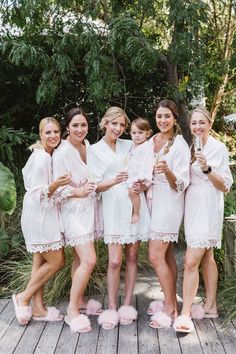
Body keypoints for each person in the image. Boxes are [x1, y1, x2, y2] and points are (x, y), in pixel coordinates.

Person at [87, 107, 150, 330]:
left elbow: (145, 167)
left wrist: (143, 183)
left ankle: (127, 304)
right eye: (114, 124)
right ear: (105, 123)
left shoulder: (131, 144)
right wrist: (114, 181)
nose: (118, 128)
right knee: (115, 261)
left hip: (134, 206)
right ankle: (111, 307)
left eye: (122, 125)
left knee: (132, 257)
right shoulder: (93, 150)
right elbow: (94, 186)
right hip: (112, 207)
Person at [173, 107, 233, 333]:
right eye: (194, 123)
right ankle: (210, 305)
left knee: (190, 261)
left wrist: (207, 168)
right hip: (193, 205)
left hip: (208, 204)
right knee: (207, 257)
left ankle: (186, 313)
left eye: (201, 122)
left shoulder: (219, 148)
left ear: (210, 123)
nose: (197, 126)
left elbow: (225, 186)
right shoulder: (191, 147)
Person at [12, 117, 71, 325]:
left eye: (56, 131)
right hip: (39, 216)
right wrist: (55, 185)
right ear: (40, 135)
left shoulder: (46, 154)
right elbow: (38, 193)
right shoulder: (42, 158)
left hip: (42, 213)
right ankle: (23, 297)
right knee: (56, 261)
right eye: (48, 132)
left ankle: (38, 308)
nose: (53, 135)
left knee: (40, 260)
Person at [53, 107, 103, 333]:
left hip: (89, 209)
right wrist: (78, 192)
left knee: (78, 259)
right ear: (67, 128)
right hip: (73, 211)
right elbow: (56, 189)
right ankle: (72, 311)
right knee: (89, 260)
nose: (80, 129)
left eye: (83, 125)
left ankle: (81, 301)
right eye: (75, 125)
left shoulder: (88, 146)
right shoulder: (62, 152)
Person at [147, 99, 191, 329]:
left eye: (167, 116)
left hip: (169, 203)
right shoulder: (152, 140)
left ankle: (170, 307)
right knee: (166, 255)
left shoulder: (180, 146)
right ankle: (169, 300)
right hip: (151, 202)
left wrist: (168, 172)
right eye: (159, 116)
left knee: (154, 255)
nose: (162, 120)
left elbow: (181, 184)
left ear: (174, 119)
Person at [127, 117, 153, 224]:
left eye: (140, 132)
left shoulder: (147, 146)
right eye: (134, 133)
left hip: (139, 175)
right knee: (129, 194)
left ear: (147, 134)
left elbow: (147, 162)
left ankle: (136, 213)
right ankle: (131, 213)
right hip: (131, 174)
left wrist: (141, 177)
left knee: (132, 192)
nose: (137, 135)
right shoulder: (132, 146)